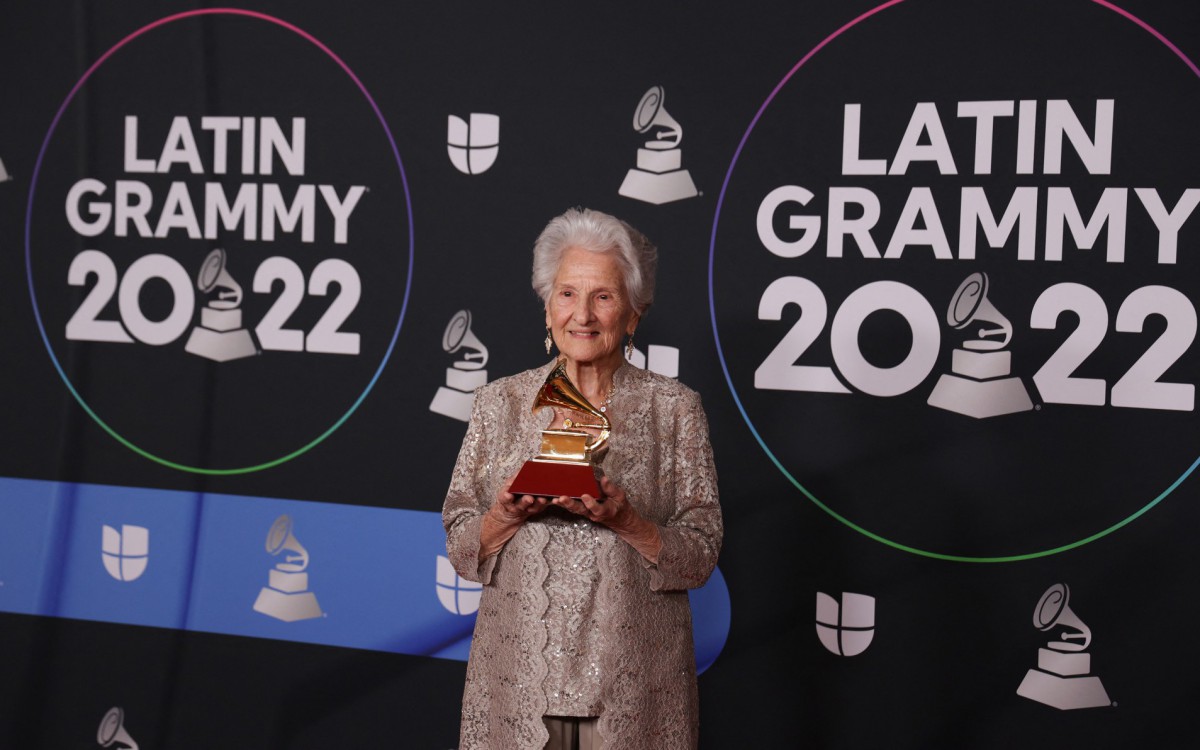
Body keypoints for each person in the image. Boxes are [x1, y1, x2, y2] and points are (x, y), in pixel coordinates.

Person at [442, 207, 723, 750]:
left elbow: (702, 552)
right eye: (567, 294)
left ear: (634, 315)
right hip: (520, 682)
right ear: (547, 308)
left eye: (603, 296)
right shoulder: (498, 404)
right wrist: (503, 516)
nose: (583, 315)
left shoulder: (676, 410)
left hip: (632, 687)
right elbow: (458, 541)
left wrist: (630, 522)